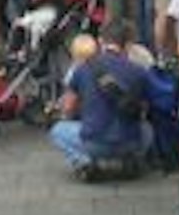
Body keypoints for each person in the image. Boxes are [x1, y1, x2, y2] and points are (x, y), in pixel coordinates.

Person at [50, 22, 153, 174]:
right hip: (131, 142)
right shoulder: (139, 71)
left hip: (94, 142)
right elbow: (146, 108)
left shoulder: (83, 68)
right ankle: (130, 159)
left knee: (58, 130)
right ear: (128, 44)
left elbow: (68, 108)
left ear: (100, 41)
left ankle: (83, 162)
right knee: (148, 129)